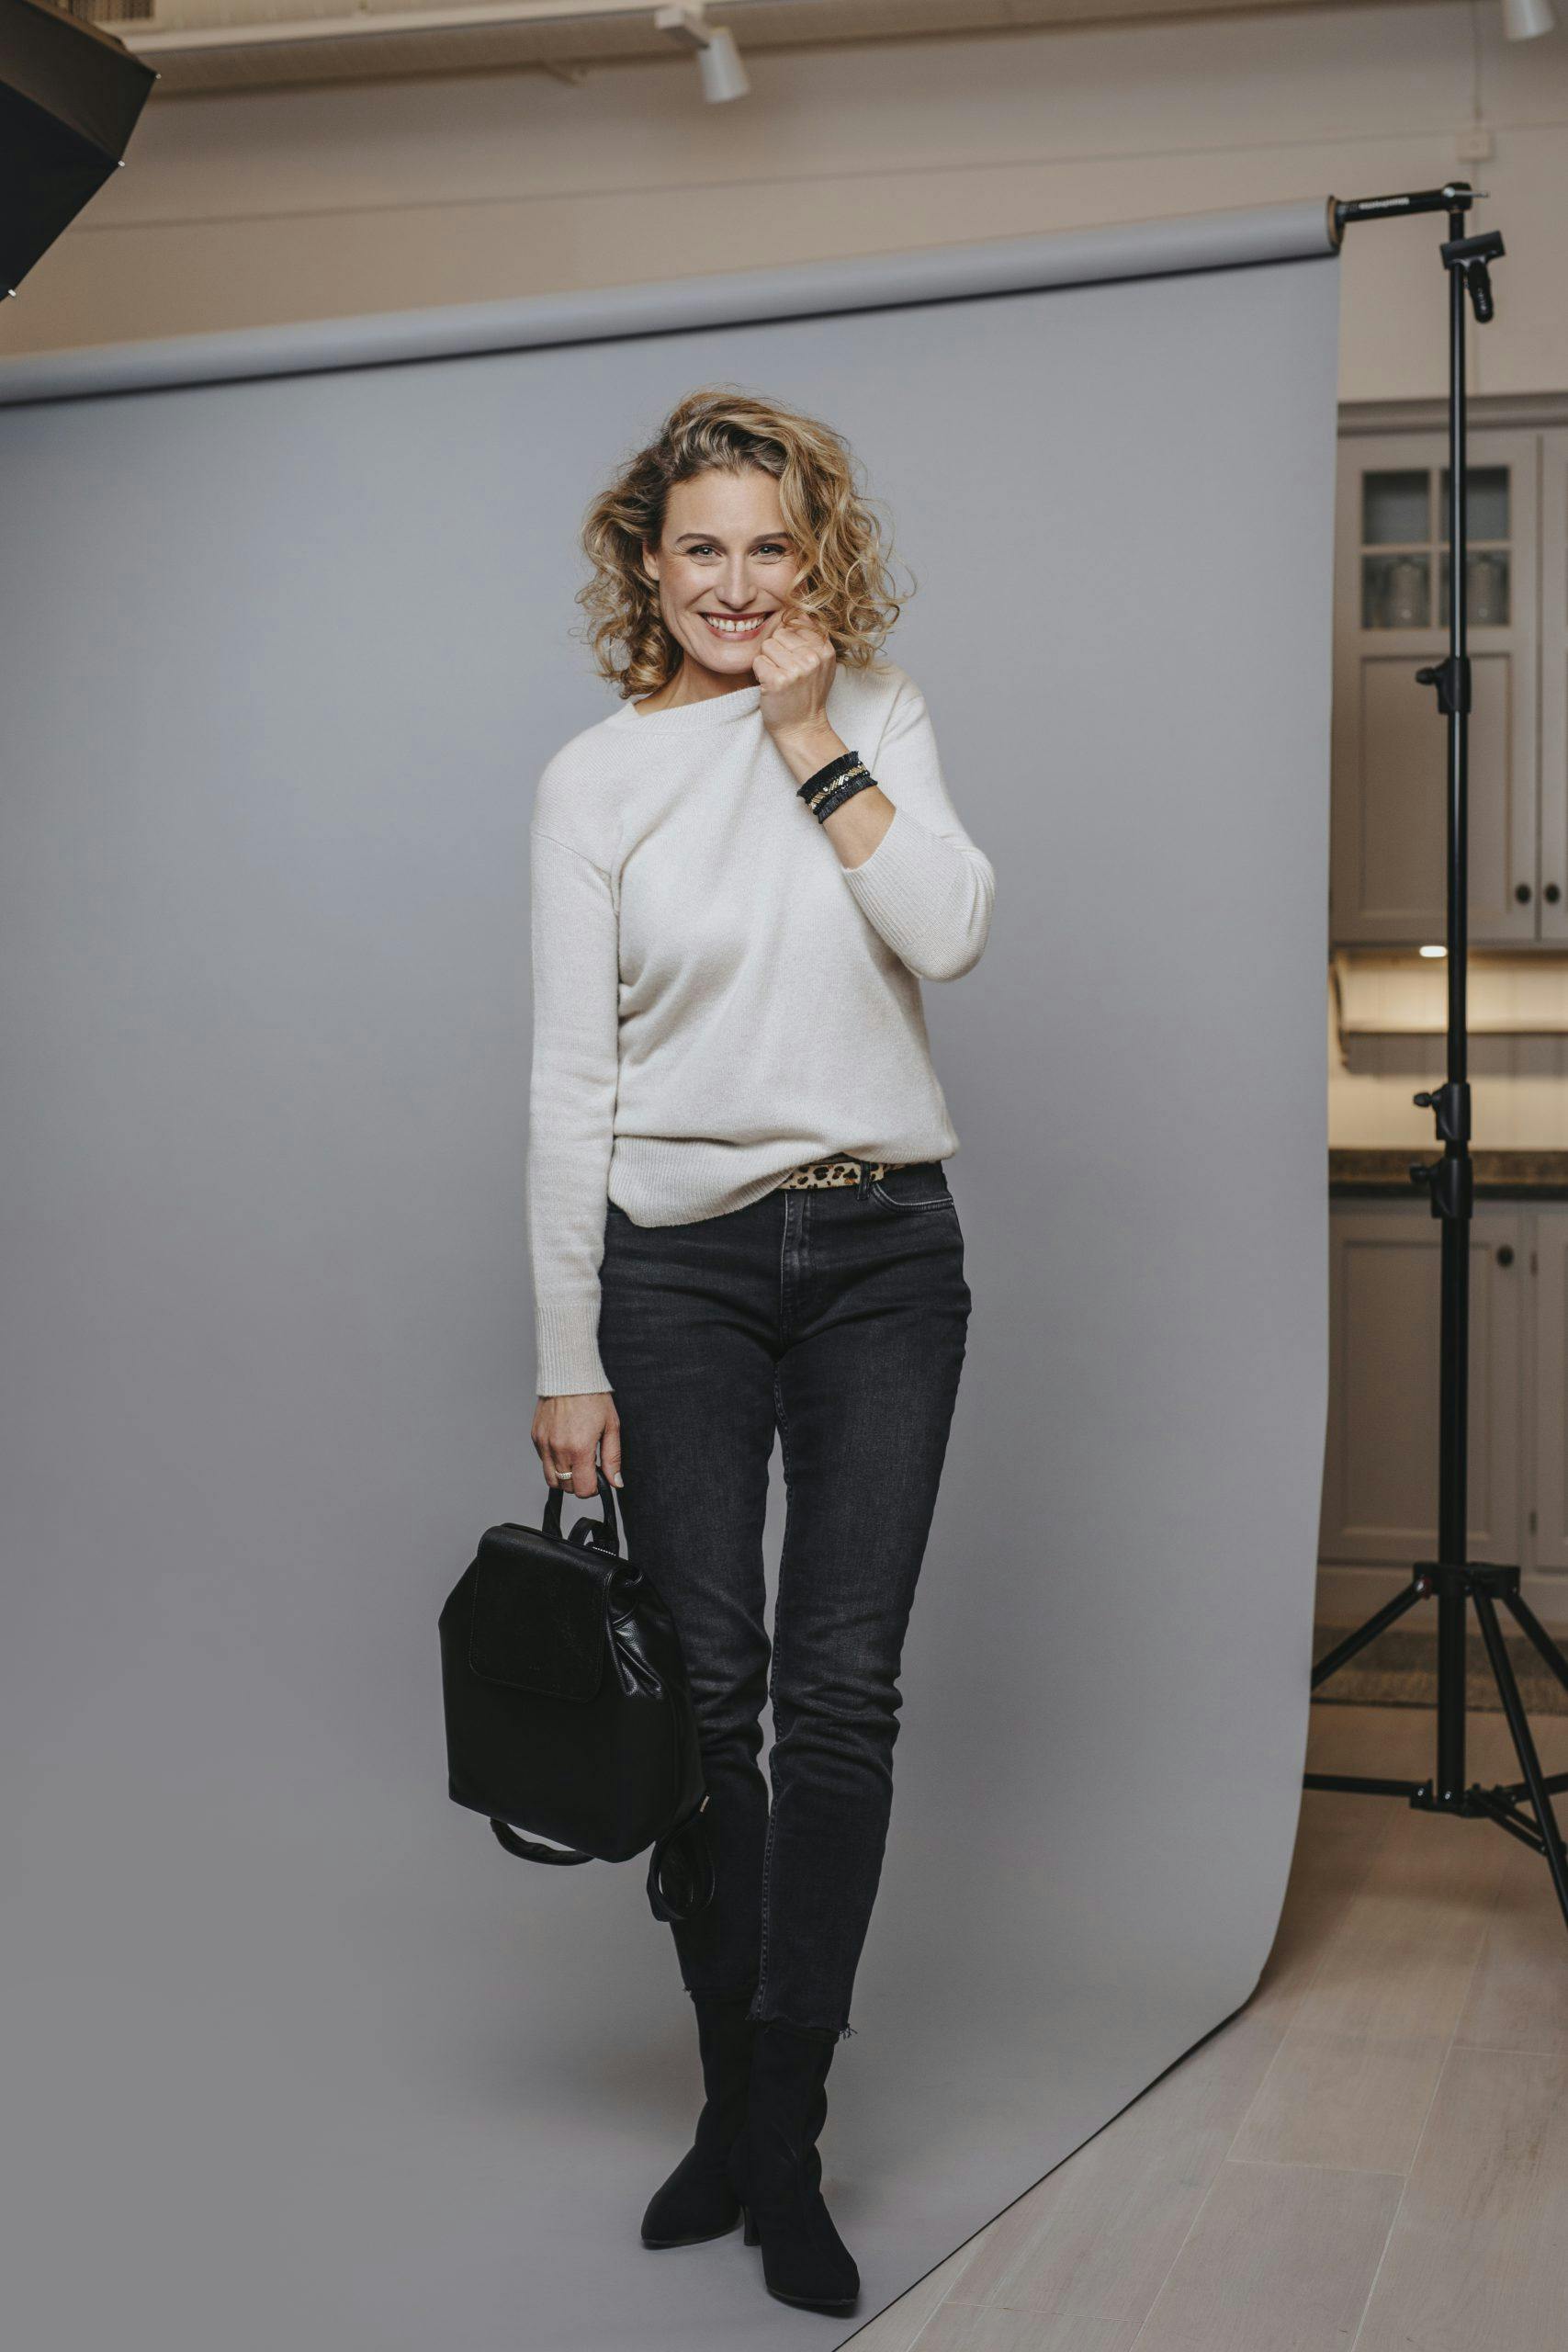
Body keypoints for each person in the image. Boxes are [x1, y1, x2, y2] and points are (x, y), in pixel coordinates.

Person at [525, 386, 994, 2316]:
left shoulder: (874, 713)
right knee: (707, 1704)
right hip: (678, 1272)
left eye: (769, 547)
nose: (735, 583)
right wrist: (566, 1346)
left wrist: (808, 736)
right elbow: (571, 1078)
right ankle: (742, 2110)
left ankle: (776, 2128)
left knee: (841, 1698)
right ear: (648, 564)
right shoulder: (594, 780)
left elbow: (947, 930)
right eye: (700, 548)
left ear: (819, 555)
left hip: (883, 1251)